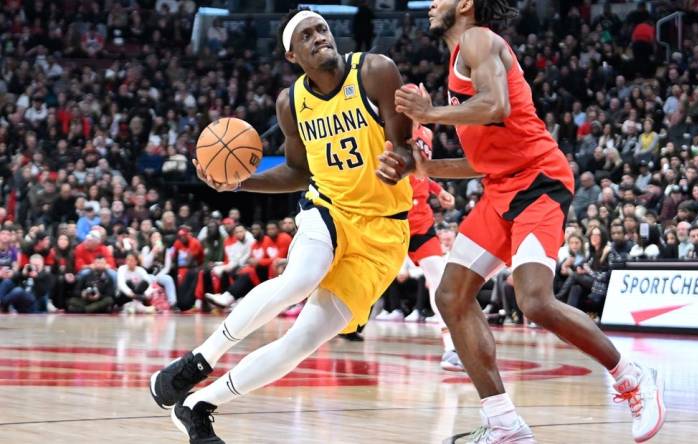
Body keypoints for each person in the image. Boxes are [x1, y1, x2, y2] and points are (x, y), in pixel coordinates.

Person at [380, 1, 664, 442]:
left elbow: (495, 105)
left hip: (538, 181)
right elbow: (480, 163)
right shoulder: (460, 59)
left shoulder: (479, 39)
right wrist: (420, 169)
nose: (432, 2)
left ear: (467, 4)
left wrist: (429, 113)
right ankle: (503, 424)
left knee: (533, 299)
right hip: (499, 189)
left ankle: (632, 376)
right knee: (451, 296)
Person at [150, 9, 415, 443]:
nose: (318, 38)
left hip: (384, 231)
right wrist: (238, 184)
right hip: (328, 207)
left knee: (303, 341)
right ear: (292, 54)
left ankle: (198, 405)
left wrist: (400, 160)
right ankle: (199, 359)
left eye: (322, 30)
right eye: (306, 35)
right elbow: (297, 172)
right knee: (301, 277)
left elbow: (403, 145)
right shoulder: (290, 102)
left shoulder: (375, 71)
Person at [407, 123, 463, 371]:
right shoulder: (386, 130)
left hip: (421, 222)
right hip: (390, 221)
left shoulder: (427, 134)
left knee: (439, 278)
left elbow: (420, 170)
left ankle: (450, 348)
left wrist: (437, 190)